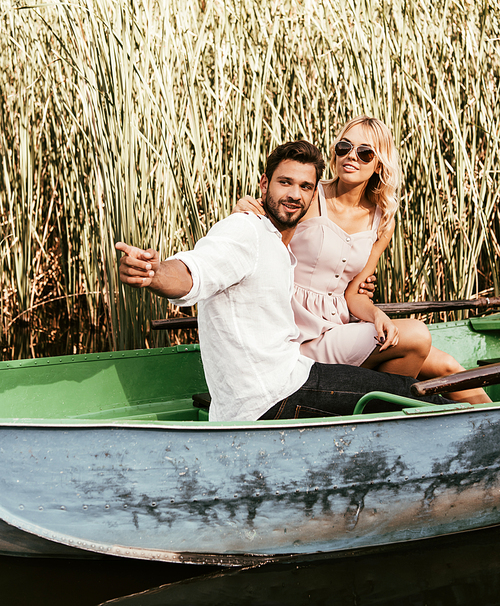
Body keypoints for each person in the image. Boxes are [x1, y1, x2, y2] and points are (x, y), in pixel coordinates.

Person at [116, 140, 454, 422]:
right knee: (415, 399)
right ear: (264, 185)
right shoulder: (245, 229)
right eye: (285, 183)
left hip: (292, 374)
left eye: (305, 187)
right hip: (268, 399)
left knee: (396, 387)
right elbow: (195, 271)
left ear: (313, 197)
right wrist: (154, 274)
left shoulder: (279, 245)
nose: (294, 194)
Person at [233, 118, 490, 405]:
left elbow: (353, 294)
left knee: (447, 367)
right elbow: (265, 225)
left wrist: (377, 315)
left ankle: (490, 425)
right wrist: (244, 207)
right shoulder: (308, 195)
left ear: (379, 163)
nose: (351, 156)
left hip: (341, 326)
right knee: (416, 336)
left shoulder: (383, 219)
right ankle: (379, 413)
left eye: (365, 152)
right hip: (298, 335)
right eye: (345, 147)